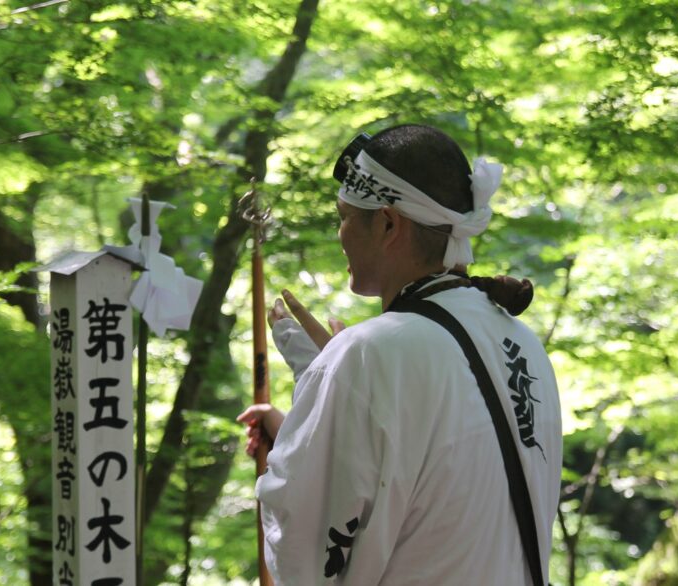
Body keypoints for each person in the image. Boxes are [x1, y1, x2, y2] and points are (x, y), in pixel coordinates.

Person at [237, 124, 562, 585]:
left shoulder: (370, 354)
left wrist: (328, 390)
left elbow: (303, 552)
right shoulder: (523, 343)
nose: (340, 234)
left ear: (388, 224)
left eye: (345, 216)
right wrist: (320, 399)